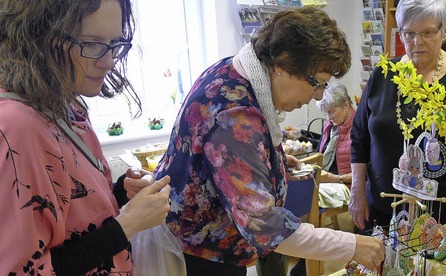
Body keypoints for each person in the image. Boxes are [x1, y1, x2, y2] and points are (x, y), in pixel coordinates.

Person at [146, 7, 384, 276]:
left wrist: (272, 162)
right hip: (202, 259)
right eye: (316, 83)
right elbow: (265, 226)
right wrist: (352, 245)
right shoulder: (235, 116)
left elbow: (231, 162)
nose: (317, 96)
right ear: (282, 63)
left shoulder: (234, 72)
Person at [0, 0, 171, 275]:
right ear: (39, 36)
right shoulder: (17, 127)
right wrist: (127, 224)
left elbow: (71, 217)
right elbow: (24, 269)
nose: (109, 60)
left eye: (114, 43)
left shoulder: (68, 105)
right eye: (91, 44)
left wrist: (120, 193)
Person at [350, 0, 446, 231]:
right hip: (380, 210)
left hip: (439, 216)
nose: (417, 42)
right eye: (409, 33)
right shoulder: (382, 74)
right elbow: (359, 137)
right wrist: (357, 192)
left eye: (428, 32)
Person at [290, 82, 356, 276]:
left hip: (346, 182)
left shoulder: (360, 128)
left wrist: (335, 178)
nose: (329, 118)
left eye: (332, 112)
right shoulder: (332, 125)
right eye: (326, 114)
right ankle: (303, 253)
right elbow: (322, 156)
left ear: (346, 105)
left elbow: (364, 174)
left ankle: (305, 262)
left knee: (307, 197)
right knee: (292, 189)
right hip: (325, 176)